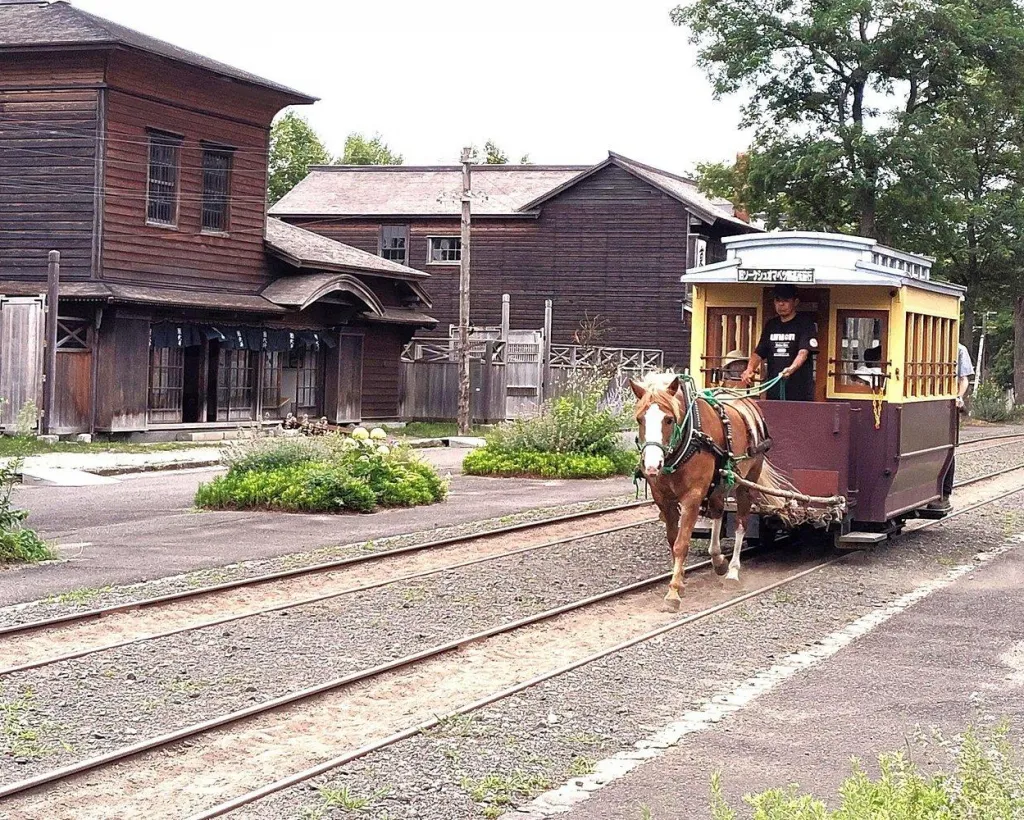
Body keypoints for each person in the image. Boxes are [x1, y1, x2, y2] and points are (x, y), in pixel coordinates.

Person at [740, 284, 818, 401]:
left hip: (800, 392)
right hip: (773, 389)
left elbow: (803, 352)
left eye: (786, 300)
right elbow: (759, 352)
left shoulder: (805, 324)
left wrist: (791, 368)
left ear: (795, 302)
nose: (781, 304)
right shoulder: (771, 325)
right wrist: (749, 369)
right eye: (778, 300)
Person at [931, 342, 975, 511]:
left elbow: (963, 379)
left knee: (947, 447)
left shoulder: (959, 349)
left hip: (946, 404)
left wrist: (958, 397)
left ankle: (944, 492)